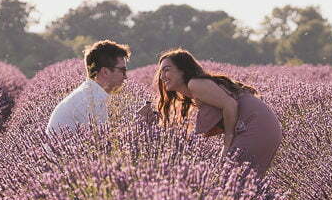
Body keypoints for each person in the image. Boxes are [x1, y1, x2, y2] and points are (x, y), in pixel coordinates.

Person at [152, 48, 283, 175]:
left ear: (182, 70)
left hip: (255, 126)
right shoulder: (195, 90)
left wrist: (228, 141)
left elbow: (230, 104)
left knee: (230, 179)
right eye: (161, 71)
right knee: (244, 182)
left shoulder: (195, 84)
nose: (162, 76)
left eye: (167, 70)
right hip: (264, 126)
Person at [46, 40, 130, 136]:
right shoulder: (88, 101)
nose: (125, 77)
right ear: (105, 72)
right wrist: (138, 123)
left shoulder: (92, 94)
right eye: (122, 71)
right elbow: (103, 143)